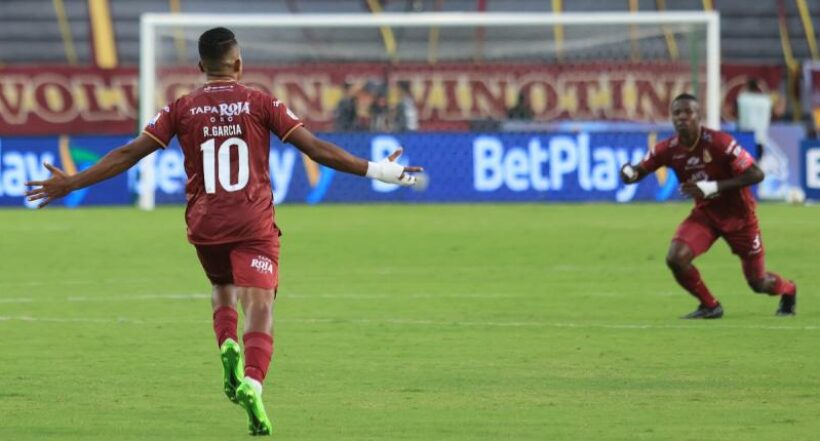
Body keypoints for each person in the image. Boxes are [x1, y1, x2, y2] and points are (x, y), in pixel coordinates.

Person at [24, 27, 421, 436]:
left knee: (222, 286)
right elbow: (317, 149)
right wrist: (381, 171)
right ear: (239, 63)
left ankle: (227, 341)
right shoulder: (260, 102)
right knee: (261, 303)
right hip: (252, 223)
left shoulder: (180, 108)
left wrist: (71, 182)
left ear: (200, 67)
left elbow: (128, 154)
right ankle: (252, 381)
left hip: (205, 225)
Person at [619, 93, 796, 319]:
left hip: (740, 218)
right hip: (706, 216)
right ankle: (710, 306)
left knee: (758, 283)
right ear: (672, 118)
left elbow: (756, 174)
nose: (682, 117)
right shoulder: (668, 148)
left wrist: (711, 187)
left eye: (688, 112)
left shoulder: (720, 143)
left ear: (698, 116)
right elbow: (640, 170)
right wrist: (629, 174)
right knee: (676, 258)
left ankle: (789, 290)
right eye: (677, 113)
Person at [736, 78, 771, 159]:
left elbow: (735, 113)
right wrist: (763, 87)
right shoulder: (766, 101)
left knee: (743, 165)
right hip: (760, 138)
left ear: (747, 87)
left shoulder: (742, 99)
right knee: (758, 166)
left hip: (745, 137)